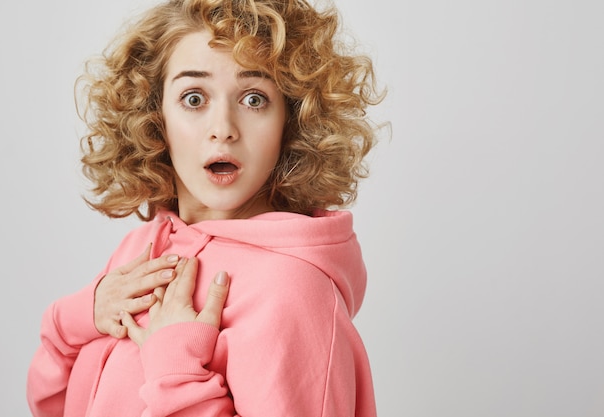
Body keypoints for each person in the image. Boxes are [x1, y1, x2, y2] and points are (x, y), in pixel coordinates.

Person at [27, 0, 386, 415]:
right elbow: (51, 403)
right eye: (194, 98)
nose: (223, 130)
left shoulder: (293, 290)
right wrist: (77, 316)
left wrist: (176, 373)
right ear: (153, 115)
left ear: (292, 120)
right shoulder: (144, 249)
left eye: (254, 99)